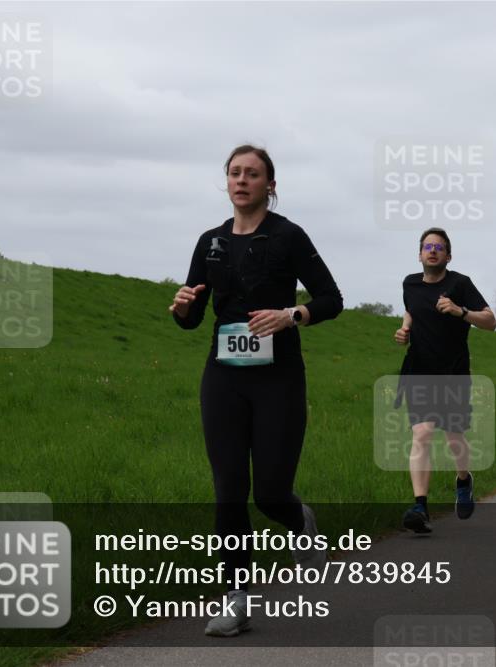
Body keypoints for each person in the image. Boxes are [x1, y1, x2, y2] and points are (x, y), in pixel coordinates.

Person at [171, 145, 343, 637]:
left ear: (270, 184)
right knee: (229, 490)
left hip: (279, 376)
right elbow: (193, 317)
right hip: (223, 374)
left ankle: (300, 521)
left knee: (269, 492)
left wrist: (292, 315)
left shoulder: (289, 235)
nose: (241, 180)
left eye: (252, 174)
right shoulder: (209, 243)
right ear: (225, 181)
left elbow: (331, 299)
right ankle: (236, 598)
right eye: (234, 172)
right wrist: (182, 307)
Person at [394, 228, 496, 533]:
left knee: (454, 438)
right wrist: (404, 329)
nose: (433, 250)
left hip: (453, 371)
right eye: (428, 246)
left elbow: (490, 321)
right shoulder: (410, 283)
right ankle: (420, 507)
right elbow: (411, 309)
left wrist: (459, 310)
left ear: (448, 255)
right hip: (419, 369)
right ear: (420, 253)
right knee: (422, 434)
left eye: (439, 247)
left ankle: (463, 481)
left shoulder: (460, 284)